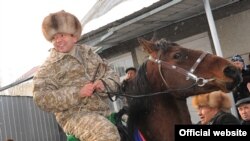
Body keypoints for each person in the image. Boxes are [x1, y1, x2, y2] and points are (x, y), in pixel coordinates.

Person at [32, 10, 121, 141]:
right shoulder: (48, 68)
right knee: (106, 133)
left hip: (104, 111)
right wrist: (77, 93)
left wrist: (105, 83)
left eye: (62, 35)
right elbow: (41, 98)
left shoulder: (90, 54)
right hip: (75, 116)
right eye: (54, 38)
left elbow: (112, 75)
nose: (58, 41)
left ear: (74, 37)